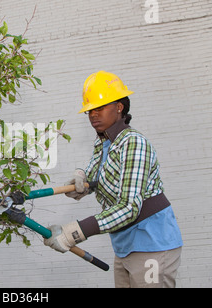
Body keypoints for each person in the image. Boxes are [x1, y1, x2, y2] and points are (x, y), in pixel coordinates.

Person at [44, 71, 183, 288]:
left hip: (152, 244)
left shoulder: (133, 143)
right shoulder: (104, 142)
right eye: (90, 110)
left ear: (119, 107)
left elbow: (129, 207)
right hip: (125, 245)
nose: (93, 115)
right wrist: (80, 182)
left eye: (99, 108)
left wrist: (74, 233)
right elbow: (93, 177)